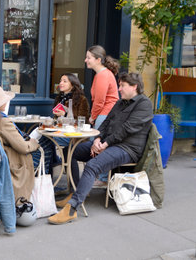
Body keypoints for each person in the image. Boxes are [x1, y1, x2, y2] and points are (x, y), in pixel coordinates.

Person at [48, 73, 153, 225]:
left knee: (92, 166)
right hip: (109, 144)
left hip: (127, 149)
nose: (119, 89)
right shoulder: (121, 102)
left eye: (122, 85)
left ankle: (72, 209)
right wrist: (97, 139)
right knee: (69, 152)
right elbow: (105, 123)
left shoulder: (144, 104)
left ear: (134, 86)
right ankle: (76, 192)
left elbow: (127, 129)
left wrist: (105, 144)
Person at [0, 85, 40, 202]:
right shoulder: (3, 121)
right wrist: (35, 143)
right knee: (45, 148)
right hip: (12, 160)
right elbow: (23, 147)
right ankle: (39, 193)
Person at [85, 45, 120, 187]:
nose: (85, 60)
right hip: (107, 113)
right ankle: (101, 177)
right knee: (99, 145)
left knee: (97, 145)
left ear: (98, 59)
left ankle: (102, 178)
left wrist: (92, 117)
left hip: (104, 114)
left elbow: (99, 101)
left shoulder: (102, 75)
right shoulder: (104, 74)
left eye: (88, 58)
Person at [52, 73, 90, 147]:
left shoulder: (81, 99)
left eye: (64, 81)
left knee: (47, 138)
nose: (61, 83)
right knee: (43, 134)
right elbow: (57, 121)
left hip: (74, 136)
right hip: (60, 131)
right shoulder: (60, 98)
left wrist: (65, 115)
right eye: (60, 81)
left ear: (72, 84)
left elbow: (82, 121)